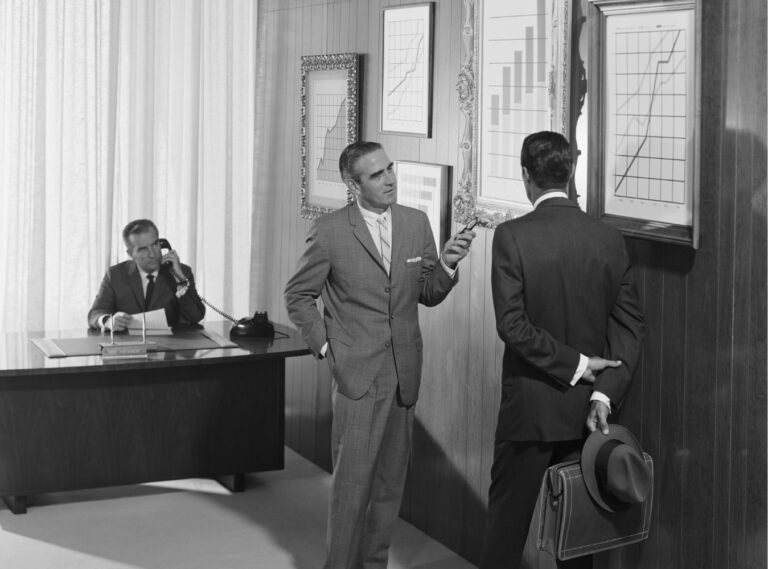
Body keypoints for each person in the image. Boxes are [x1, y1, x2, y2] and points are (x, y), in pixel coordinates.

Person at [284, 141, 475, 569]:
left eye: (390, 169)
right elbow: (298, 295)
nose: (389, 179)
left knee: (389, 489)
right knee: (352, 488)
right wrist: (328, 345)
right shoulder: (331, 230)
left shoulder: (414, 222)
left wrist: (445, 265)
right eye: (376, 174)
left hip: (404, 373)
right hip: (356, 375)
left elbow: (425, 294)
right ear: (353, 185)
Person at [481, 131, 645, 569]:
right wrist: (602, 393)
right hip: (590, 419)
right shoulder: (609, 238)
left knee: (505, 531)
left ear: (525, 176)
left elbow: (511, 325)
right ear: (571, 172)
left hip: (529, 415)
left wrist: (575, 365)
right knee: (578, 540)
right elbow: (631, 328)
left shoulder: (512, 236)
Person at [88, 219, 205, 331]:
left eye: (155, 244)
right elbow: (95, 313)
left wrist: (181, 280)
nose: (152, 254)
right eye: (143, 249)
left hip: (169, 347)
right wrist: (108, 321)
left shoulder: (182, 272)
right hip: (130, 347)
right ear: (131, 254)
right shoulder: (115, 275)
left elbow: (196, 316)